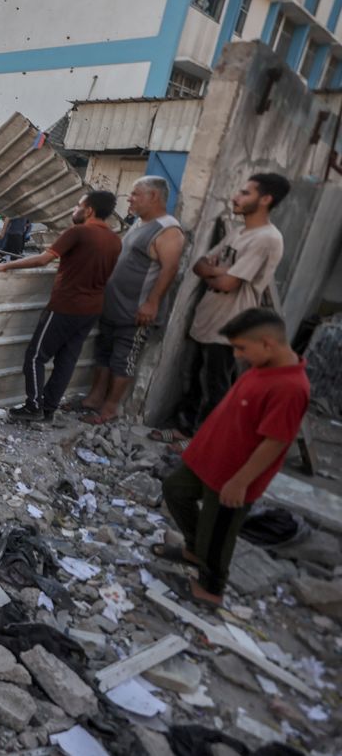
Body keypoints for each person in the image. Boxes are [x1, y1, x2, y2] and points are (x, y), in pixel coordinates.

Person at [158, 308, 309, 609]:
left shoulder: (291, 387)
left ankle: (210, 588)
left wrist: (240, 482)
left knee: (218, 532)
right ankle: (193, 549)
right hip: (208, 460)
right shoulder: (263, 367)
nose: (238, 355)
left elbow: (276, 441)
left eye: (242, 348)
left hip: (234, 474)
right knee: (175, 490)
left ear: (267, 343)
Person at [0, 191, 122, 421]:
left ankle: (33, 406)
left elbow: (44, 259)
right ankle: (49, 408)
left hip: (66, 305)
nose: (74, 210)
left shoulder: (78, 232)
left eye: (77, 206)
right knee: (67, 359)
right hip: (92, 308)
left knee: (35, 356)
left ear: (89, 210)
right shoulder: (114, 239)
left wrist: (7, 267)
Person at [178, 173, 289, 435]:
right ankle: (185, 434)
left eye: (245, 193)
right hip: (208, 319)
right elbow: (199, 265)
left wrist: (218, 273)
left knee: (214, 387)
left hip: (230, 326)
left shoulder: (266, 238)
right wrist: (220, 271)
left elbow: (228, 284)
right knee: (195, 380)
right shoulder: (239, 232)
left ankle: (204, 441)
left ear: (265, 199)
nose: (235, 197)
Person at [82, 176, 185, 423]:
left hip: (135, 312)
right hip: (114, 307)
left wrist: (152, 302)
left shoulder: (168, 229)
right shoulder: (139, 224)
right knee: (103, 353)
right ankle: (94, 399)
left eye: (135, 194)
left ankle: (109, 409)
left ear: (154, 197)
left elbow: (170, 269)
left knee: (123, 360)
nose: (129, 199)